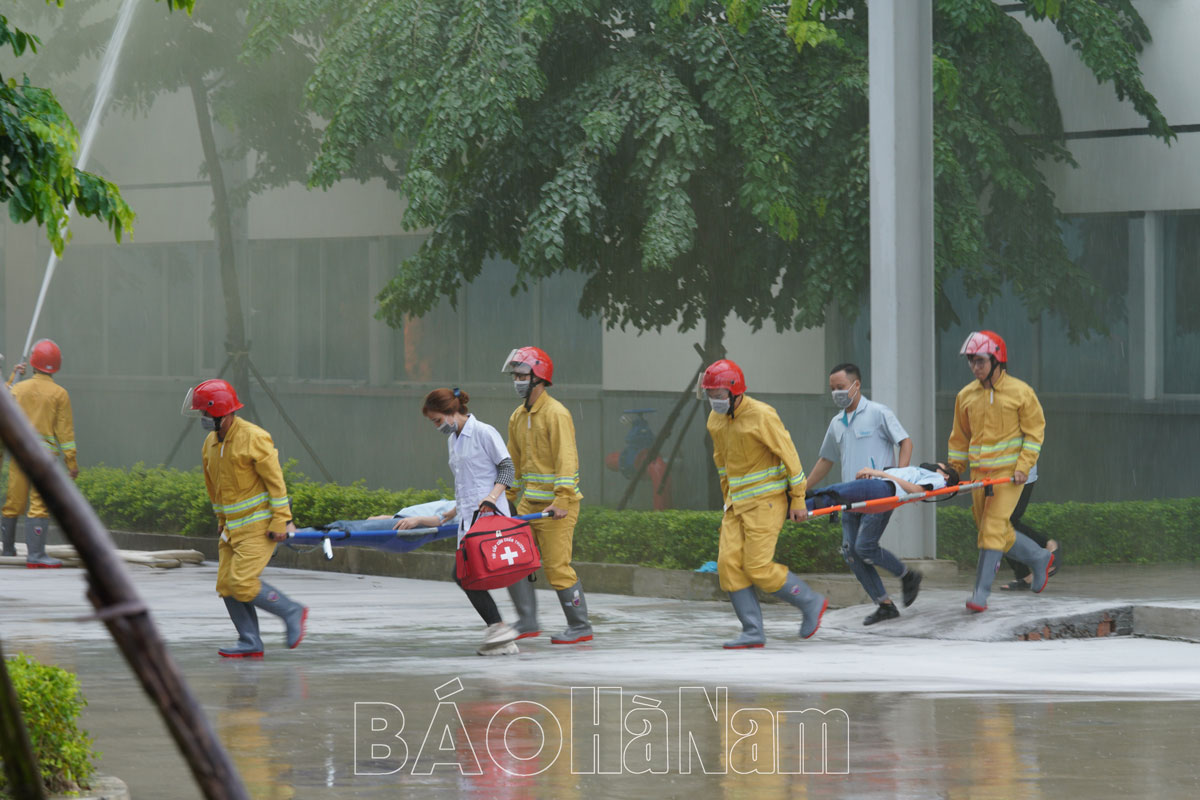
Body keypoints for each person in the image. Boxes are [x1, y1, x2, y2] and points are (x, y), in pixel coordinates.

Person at [702, 358, 826, 649]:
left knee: (757, 567)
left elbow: (790, 457)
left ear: (735, 392)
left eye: (718, 395)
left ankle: (810, 601)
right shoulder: (715, 420)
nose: (713, 401)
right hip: (736, 505)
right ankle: (752, 631)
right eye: (709, 395)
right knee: (728, 565)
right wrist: (726, 498)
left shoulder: (762, 415)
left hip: (766, 503)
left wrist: (798, 499)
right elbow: (722, 464)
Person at [394, 387, 523, 656]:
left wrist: (491, 497)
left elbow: (507, 468)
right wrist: (445, 516)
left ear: (452, 412)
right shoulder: (453, 439)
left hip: (489, 517)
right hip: (467, 520)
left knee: (464, 574)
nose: (436, 427)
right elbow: (464, 485)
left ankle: (500, 628)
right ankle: (502, 636)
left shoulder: (484, 432)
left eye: (437, 420)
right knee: (467, 575)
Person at [184, 378, 307, 658]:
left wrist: (281, 520)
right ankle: (250, 640)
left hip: (259, 527)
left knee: (242, 582)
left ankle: (291, 610)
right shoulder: (210, 444)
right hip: (231, 529)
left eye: (205, 413)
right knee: (227, 585)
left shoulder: (254, 437)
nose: (202, 419)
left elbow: (276, 484)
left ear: (221, 412)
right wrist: (220, 518)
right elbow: (213, 486)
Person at [947, 331, 1054, 612]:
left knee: (993, 528)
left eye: (980, 361)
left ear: (997, 361)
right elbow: (959, 439)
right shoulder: (965, 396)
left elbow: (1034, 433)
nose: (974, 367)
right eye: (971, 361)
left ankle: (980, 594)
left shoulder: (1021, 392)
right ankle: (1039, 557)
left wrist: (1022, 467)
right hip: (980, 477)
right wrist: (954, 470)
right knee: (988, 528)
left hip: (1010, 476)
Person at [805, 363, 920, 624]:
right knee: (850, 552)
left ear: (856, 385)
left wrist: (900, 478)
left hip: (878, 493)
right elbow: (826, 460)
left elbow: (905, 441)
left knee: (864, 546)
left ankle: (907, 575)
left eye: (841, 387)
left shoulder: (879, 413)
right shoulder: (836, 423)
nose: (836, 393)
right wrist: (801, 489)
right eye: (832, 389)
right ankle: (885, 604)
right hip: (847, 497)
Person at [502, 346, 592, 644]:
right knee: (513, 559)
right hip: (529, 504)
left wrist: (563, 499)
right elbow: (513, 462)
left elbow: (567, 459)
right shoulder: (518, 416)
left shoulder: (556, 414)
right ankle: (527, 621)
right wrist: (506, 497)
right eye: (514, 375)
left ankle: (580, 626)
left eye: (521, 375)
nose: (516, 381)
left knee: (556, 567)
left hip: (557, 508)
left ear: (538, 378)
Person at [2, 340, 77, 567]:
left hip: (19, 455)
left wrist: (14, 376)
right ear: (57, 364)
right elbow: (65, 433)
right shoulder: (59, 394)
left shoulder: (18, 389)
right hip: (43, 459)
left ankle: (7, 551)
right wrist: (71, 462)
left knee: (13, 501)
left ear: (33, 363)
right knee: (38, 504)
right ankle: (35, 556)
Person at [805, 461, 961, 514]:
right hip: (881, 486)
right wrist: (875, 475)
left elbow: (917, 491)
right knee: (832, 493)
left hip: (885, 489)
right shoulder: (927, 474)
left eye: (939, 465)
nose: (934, 464)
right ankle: (796, 502)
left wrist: (878, 473)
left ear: (946, 475)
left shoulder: (939, 479)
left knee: (833, 496)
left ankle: (793, 508)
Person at [999, 464, 1060, 590]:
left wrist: (1022, 466)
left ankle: (1048, 547)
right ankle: (1024, 574)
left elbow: (1032, 445)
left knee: (1003, 521)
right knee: (999, 522)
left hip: (1019, 472)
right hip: (995, 473)